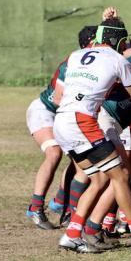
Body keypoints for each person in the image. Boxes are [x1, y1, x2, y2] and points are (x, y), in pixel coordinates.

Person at [53, 18, 131, 252]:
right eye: (124, 41)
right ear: (119, 40)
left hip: (61, 120)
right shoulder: (118, 60)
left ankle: (72, 234)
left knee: (100, 178)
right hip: (82, 121)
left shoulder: (75, 55)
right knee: (121, 174)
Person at [25, 25, 97, 230]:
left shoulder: (96, 62)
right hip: (45, 110)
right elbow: (57, 99)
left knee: (81, 158)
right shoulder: (73, 61)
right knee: (54, 153)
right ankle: (36, 207)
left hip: (65, 114)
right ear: (86, 45)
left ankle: (64, 207)